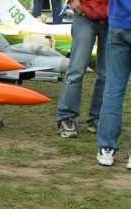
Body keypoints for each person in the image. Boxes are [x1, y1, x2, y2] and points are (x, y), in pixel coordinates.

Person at [56, 0, 109, 138]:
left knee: (106, 74)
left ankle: (98, 117)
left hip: (111, 18)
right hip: (84, 14)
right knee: (76, 70)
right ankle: (66, 117)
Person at [96, 0, 131, 169]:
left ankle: (106, 148)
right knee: (113, 89)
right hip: (118, 23)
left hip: (118, 23)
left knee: (113, 89)